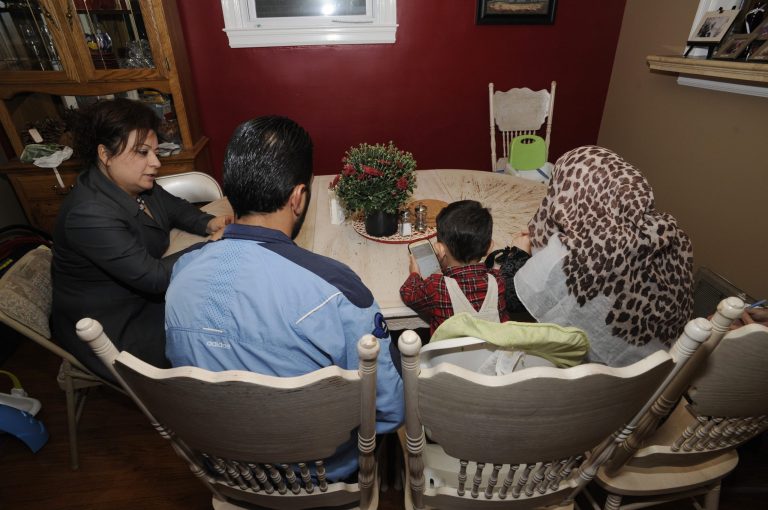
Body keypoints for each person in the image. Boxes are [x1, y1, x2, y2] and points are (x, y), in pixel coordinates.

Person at [164, 116, 404, 482]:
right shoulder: (336, 289)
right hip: (321, 469)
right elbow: (389, 410)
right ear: (298, 198)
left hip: (227, 465)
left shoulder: (182, 273)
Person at [51, 98, 230, 381]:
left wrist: (208, 222)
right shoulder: (89, 214)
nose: (155, 163)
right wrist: (212, 247)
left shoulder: (130, 183)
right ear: (105, 154)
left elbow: (175, 207)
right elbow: (153, 278)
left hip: (140, 299)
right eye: (143, 152)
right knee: (218, 334)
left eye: (155, 152)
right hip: (116, 323)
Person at [511, 145, 694, 367]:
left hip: (592, 383)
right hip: (654, 374)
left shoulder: (563, 257)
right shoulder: (670, 240)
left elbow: (514, 298)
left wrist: (519, 252)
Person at [400, 200, 509, 335]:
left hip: (447, 356)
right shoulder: (499, 280)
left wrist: (414, 273)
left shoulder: (436, 286)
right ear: (489, 248)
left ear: (439, 249)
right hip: (494, 354)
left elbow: (408, 294)